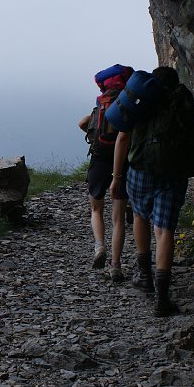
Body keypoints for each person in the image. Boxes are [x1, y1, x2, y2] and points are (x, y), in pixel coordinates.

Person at [108, 66, 194, 317]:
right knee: (165, 230)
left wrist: (117, 176)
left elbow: (122, 139)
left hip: (140, 172)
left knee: (140, 217)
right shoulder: (185, 108)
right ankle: (162, 298)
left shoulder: (142, 104)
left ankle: (145, 277)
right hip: (174, 176)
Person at [78, 103, 129, 284]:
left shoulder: (101, 108)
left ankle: (100, 246)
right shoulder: (128, 108)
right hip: (122, 164)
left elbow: (82, 122)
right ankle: (115, 265)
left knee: (96, 209)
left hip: (99, 160)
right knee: (118, 218)